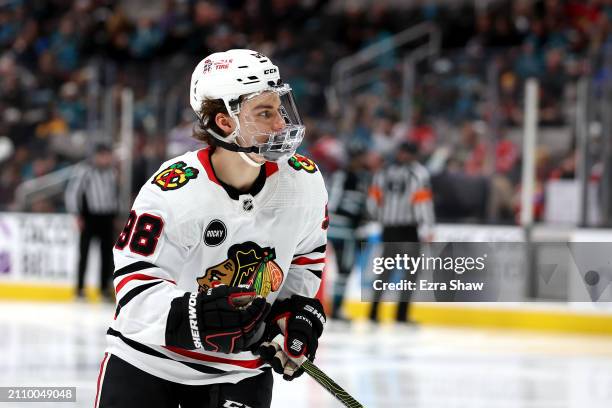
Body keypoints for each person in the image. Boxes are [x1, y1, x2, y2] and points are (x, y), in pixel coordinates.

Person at [95, 49, 328, 408]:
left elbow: (304, 259)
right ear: (224, 122)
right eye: (264, 113)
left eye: (279, 108)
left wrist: (292, 316)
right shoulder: (173, 189)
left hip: (240, 373)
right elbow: (132, 290)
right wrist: (195, 316)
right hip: (147, 364)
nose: (281, 124)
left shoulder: (305, 183)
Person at [367, 142, 435, 323]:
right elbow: (422, 203)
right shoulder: (418, 173)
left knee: (386, 272)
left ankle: (374, 312)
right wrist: (427, 228)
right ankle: (400, 315)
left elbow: (372, 203)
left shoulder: (383, 172)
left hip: (390, 228)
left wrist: (380, 217)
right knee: (408, 273)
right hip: (408, 229)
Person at [65, 143, 118, 300]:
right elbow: (73, 193)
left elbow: (114, 194)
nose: (106, 158)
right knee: (84, 253)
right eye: (103, 155)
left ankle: (103, 289)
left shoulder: (112, 172)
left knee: (107, 255)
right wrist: (77, 215)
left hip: (107, 218)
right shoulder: (85, 171)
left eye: (108, 155)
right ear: (96, 156)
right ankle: (80, 289)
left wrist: (116, 215)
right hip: (89, 218)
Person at [326, 143, 370, 319]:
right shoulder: (356, 179)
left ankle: (335, 307)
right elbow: (335, 203)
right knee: (344, 270)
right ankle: (336, 308)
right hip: (344, 230)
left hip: (330, 227)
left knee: (340, 270)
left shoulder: (340, 176)